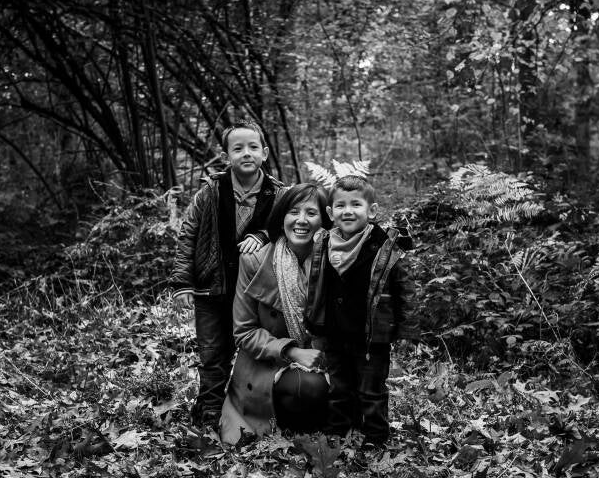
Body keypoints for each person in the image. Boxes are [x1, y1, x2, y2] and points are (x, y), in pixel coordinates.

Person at [168, 119, 285, 429]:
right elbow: (189, 233)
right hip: (212, 289)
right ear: (226, 157)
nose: (246, 153)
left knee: (255, 350)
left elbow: (287, 231)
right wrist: (182, 282)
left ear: (264, 153)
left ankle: (254, 411)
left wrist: (263, 235)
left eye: (253, 147)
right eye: (238, 148)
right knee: (213, 353)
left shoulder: (278, 194)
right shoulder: (210, 191)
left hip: (255, 292)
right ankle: (209, 410)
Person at [220, 183, 332, 445]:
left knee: (319, 387)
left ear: (324, 222)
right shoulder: (255, 260)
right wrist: (292, 352)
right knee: (305, 386)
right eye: (294, 212)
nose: (301, 220)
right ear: (282, 218)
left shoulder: (335, 260)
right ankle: (286, 434)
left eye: (311, 213)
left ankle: (313, 433)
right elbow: (244, 332)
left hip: (323, 358)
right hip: (268, 365)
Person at [312, 175, 418, 445]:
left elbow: (405, 290)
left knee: (371, 391)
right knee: (339, 388)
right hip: (335, 333)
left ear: (371, 211)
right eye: (341, 205)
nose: (348, 211)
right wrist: (314, 324)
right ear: (330, 213)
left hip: (372, 336)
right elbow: (317, 288)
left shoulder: (386, 246)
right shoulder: (323, 244)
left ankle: (375, 438)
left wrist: (406, 331)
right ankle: (338, 434)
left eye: (356, 204)